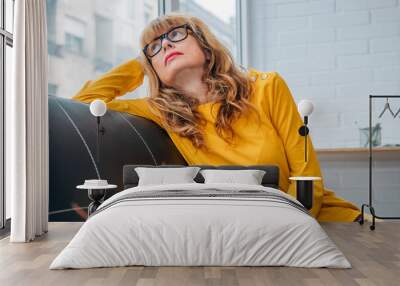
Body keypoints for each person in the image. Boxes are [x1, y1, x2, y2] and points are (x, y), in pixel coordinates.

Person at [72, 13, 361, 222]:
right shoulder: (161, 111)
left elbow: (306, 175)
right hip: (248, 229)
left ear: (205, 45)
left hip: (321, 218)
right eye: (154, 47)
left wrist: (293, 225)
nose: (166, 46)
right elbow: (83, 103)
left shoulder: (266, 86)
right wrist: (140, 64)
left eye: (174, 35)